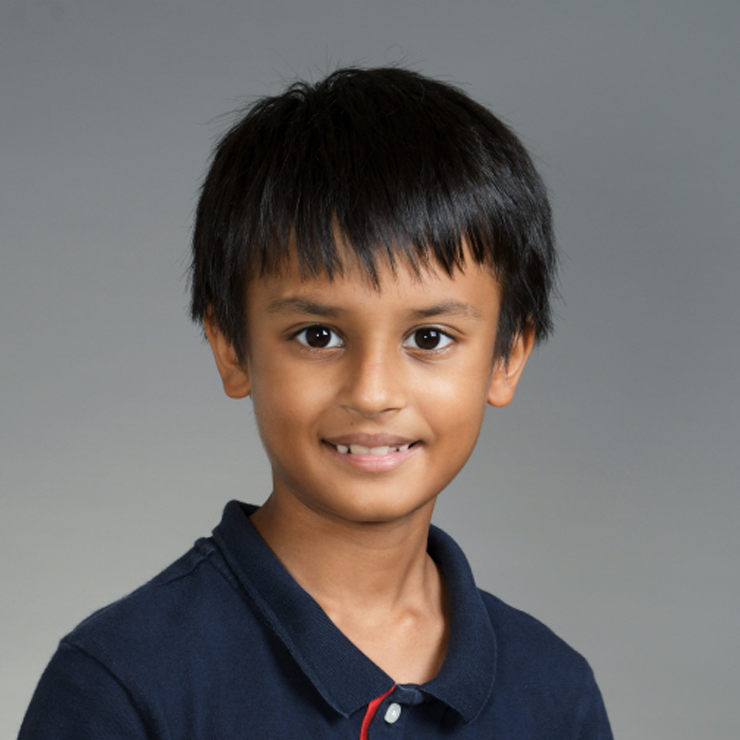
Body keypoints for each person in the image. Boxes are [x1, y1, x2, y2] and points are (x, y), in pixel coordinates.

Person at [19, 66, 612, 739]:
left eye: (429, 337)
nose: (373, 393)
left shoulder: (555, 693)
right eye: (318, 335)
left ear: (507, 358)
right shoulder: (124, 683)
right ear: (232, 348)